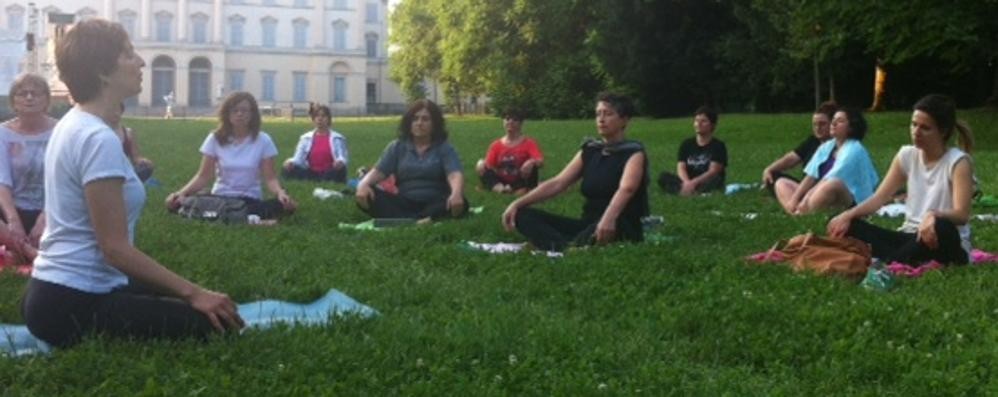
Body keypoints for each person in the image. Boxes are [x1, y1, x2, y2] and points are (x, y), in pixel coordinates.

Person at [22, 18, 243, 349]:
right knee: (216, 324)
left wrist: (190, 292)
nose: (140, 62)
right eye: (128, 54)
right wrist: (195, 293)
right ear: (102, 71)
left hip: (55, 292)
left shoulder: (77, 123)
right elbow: (114, 249)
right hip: (71, 302)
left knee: (206, 305)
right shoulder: (96, 137)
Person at [828, 95, 975, 265]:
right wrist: (847, 215)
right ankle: (901, 259)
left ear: (942, 131)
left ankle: (890, 262)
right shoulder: (906, 155)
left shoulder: (958, 162)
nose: (916, 132)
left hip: (942, 240)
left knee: (942, 227)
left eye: (925, 128)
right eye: (913, 125)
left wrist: (933, 215)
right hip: (909, 236)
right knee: (846, 224)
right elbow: (879, 198)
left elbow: (962, 214)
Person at [501, 92, 648, 252]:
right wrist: (517, 203)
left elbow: (627, 189)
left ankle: (561, 245)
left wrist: (608, 219)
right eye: (598, 114)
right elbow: (558, 183)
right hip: (587, 224)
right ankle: (569, 246)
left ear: (624, 120)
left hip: (618, 222)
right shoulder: (591, 150)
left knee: (603, 229)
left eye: (608, 114)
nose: (601, 119)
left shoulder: (633, 153)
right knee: (522, 215)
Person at [165, 91, 297, 221]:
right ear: (227, 114)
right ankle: (250, 220)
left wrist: (280, 193)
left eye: (244, 110)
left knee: (279, 206)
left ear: (252, 114)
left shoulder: (263, 140)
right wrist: (181, 193)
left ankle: (229, 217)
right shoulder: (215, 138)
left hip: (249, 199)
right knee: (182, 202)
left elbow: (270, 178)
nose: (239, 114)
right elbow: (203, 176)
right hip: (221, 197)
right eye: (235, 110)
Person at [355, 99, 467, 221]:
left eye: (425, 119)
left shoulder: (444, 147)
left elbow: (454, 174)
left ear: (435, 124)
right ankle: (425, 219)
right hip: (404, 202)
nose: (419, 123)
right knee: (368, 194)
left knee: (461, 202)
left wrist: (456, 193)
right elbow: (379, 171)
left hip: (435, 200)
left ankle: (406, 219)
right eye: (415, 119)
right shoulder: (397, 147)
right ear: (409, 123)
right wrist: (363, 184)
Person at [776, 107, 879, 215]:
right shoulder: (827, 146)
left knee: (833, 184)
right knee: (781, 183)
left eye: (840, 121)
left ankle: (802, 212)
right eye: (833, 120)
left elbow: (829, 178)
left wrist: (807, 198)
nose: (833, 123)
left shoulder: (854, 149)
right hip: (820, 193)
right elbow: (811, 176)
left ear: (851, 127)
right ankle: (796, 211)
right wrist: (795, 199)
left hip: (852, 200)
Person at [0, 73, 57, 249]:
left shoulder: (61, 131)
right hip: (11, 209)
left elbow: (63, 180)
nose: (29, 97)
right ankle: (29, 251)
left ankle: (22, 251)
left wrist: (45, 217)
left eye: (36, 93)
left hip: (54, 209)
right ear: (13, 101)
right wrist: (13, 220)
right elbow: (2, 181)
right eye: (22, 93)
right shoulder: (2, 133)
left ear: (47, 100)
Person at [761, 101, 837, 191]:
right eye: (815, 124)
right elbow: (791, 158)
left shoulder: (838, 145)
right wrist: (769, 169)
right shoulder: (813, 141)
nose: (818, 128)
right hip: (805, 186)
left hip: (825, 188)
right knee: (773, 175)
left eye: (822, 124)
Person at [658, 106, 727, 196]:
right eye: (696, 120)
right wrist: (687, 182)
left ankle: (686, 192)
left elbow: (713, 171)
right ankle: (690, 191)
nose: (699, 124)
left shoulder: (718, 146)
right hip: (687, 181)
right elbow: (681, 167)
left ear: (712, 125)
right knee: (663, 177)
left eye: (703, 121)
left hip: (704, 181)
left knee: (716, 179)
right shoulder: (686, 144)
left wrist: (693, 183)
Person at [475, 108, 544, 194]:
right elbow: (490, 166)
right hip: (502, 179)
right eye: (507, 119)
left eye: (515, 120)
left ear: (521, 123)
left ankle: (514, 188)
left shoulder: (529, 143)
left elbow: (540, 161)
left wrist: (531, 161)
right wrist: (482, 165)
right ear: (503, 122)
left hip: (521, 178)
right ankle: (501, 188)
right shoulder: (496, 145)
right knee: (481, 164)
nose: (510, 122)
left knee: (532, 166)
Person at [282, 102, 349, 182]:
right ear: (313, 119)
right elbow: (298, 158)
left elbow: (342, 157)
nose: (320, 119)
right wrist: (290, 162)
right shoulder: (305, 138)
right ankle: (317, 180)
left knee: (341, 170)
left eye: (323, 116)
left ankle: (323, 180)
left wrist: (340, 162)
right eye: (317, 116)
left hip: (329, 171)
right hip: (310, 172)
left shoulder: (337, 138)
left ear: (328, 119)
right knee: (287, 169)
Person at [109, 103, 155, 181]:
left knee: (146, 167)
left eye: (117, 110)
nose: (115, 113)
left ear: (121, 112)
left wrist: (143, 161)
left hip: (124, 169)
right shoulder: (101, 132)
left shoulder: (128, 132)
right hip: (107, 169)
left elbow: (135, 157)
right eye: (112, 111)